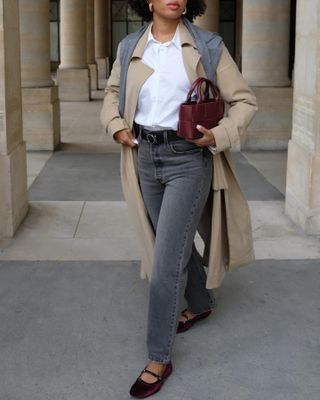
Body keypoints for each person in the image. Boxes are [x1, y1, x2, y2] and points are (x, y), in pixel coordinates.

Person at [100, 0, 258, 398]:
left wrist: (218, 136)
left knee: (165, 261)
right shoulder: (130, 47)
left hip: (189, 159)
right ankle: (201, 302)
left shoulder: (207, 45)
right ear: (148, 2)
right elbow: (113, 92)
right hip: (145, 156)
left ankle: (158, 356)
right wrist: (117, 126)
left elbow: (245, 101)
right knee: (172, 240)